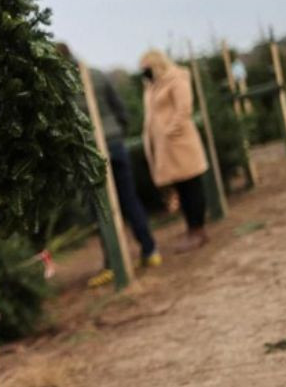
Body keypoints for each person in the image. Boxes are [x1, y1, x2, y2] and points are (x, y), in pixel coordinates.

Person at [55, 43, 162, 288]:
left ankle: (113, 264)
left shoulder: (62, 85)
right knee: (129, 199)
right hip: (115, 144)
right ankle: (150, 250)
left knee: (100, 208)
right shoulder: (97, 74)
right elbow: (120, 108)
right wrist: (118, 132)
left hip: (90, 150)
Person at [139, 49, 209, 252]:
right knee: (182, 189)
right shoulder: (152, 86)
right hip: (166, 148)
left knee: (192, 187)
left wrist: (170, 131)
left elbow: (184, 109)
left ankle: (198, 230)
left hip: (180, 144)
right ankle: (191, 229)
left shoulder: (177, 79)